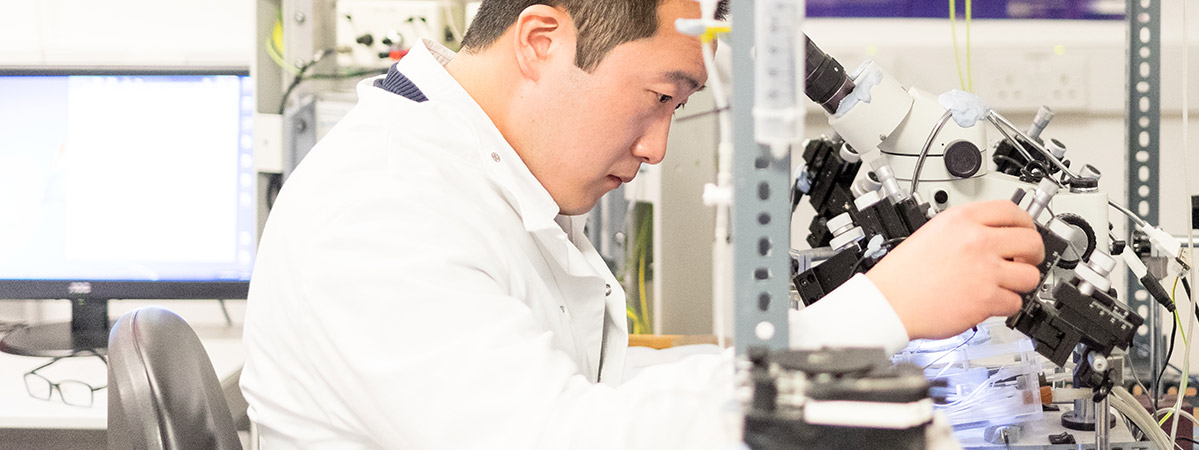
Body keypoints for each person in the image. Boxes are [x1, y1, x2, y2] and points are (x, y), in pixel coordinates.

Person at [239, 0, 1045, 448]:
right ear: (541, 40)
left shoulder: (471, 178)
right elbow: (569, 440)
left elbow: (595, 389)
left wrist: (813, 345)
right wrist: (883, 307)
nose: (659, 146)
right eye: (660, 96)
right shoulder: (382, 211)